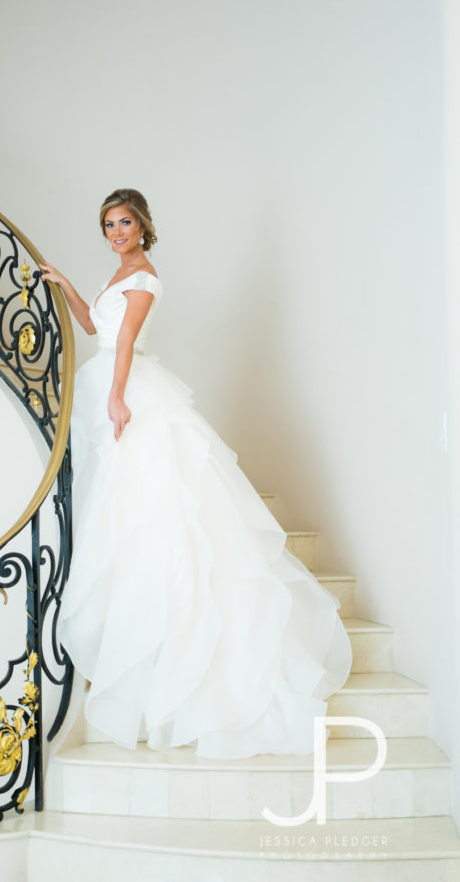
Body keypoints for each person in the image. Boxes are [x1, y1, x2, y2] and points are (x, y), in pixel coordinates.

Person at [40, 189, 352, 759]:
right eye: (108, 224)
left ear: (142, 226)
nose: (115, 232)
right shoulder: (117, 275)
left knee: (151, 510)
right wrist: (63, 285)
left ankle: (177, 652)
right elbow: (95, 329)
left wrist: (116, 398)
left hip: (124, 389)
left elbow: (126, 342)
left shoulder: (145, 277)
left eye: (124, 222)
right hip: (106, 380)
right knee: (119, 510)